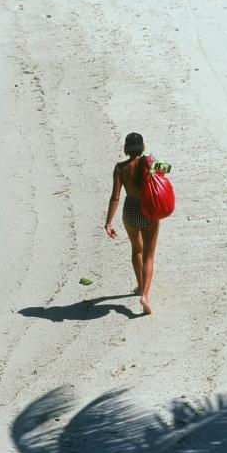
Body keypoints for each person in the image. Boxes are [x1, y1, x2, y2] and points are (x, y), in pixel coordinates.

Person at [104, 132, 160, 315]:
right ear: (142, 147)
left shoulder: (120, 168)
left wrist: (108, 223)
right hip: (148, 209)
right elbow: (161, 178)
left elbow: (115, 197)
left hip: (130, 210)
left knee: (136, 249)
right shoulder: (148, 162)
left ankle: (139, 285)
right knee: (148, 255)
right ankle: (145, 295)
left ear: (126, 149)